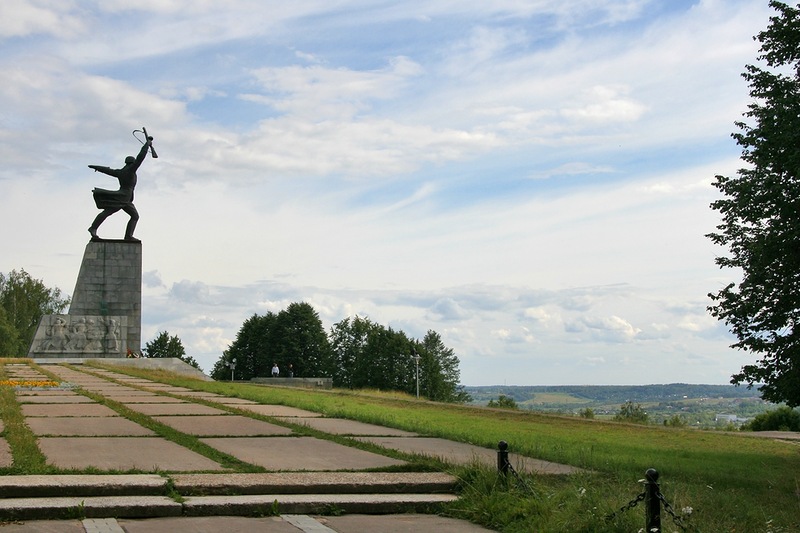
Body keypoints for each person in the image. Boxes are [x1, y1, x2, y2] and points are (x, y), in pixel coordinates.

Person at [87, 137, 153, 242]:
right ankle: (94, 228)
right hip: (124, 197)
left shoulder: (121, 172)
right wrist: (147, 144)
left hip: (125, 198)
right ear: (132, 163)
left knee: (128, 215)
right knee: (129, 215)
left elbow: (107, 170)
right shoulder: (131, 170)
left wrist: (96, 167)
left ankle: (96, 228)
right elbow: (141, 156)